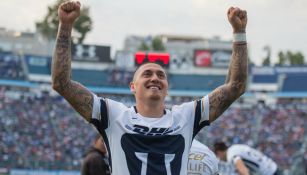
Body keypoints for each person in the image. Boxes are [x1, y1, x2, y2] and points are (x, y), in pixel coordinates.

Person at [52, 1, 248, 174]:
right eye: (147, 74)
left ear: (167, 88)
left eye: (161, 75)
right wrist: (65, 26)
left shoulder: (186, 116)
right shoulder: (113, 115)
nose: (155, 78)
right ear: (132, 87)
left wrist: (239, 33)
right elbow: (62, 83)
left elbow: (236, 86)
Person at [214, 142, 280, 175]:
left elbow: (241, 167)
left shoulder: (230, 154)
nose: (220, 159)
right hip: (272, 166)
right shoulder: (236, 147)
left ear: (219, 152)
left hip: (269, 172)